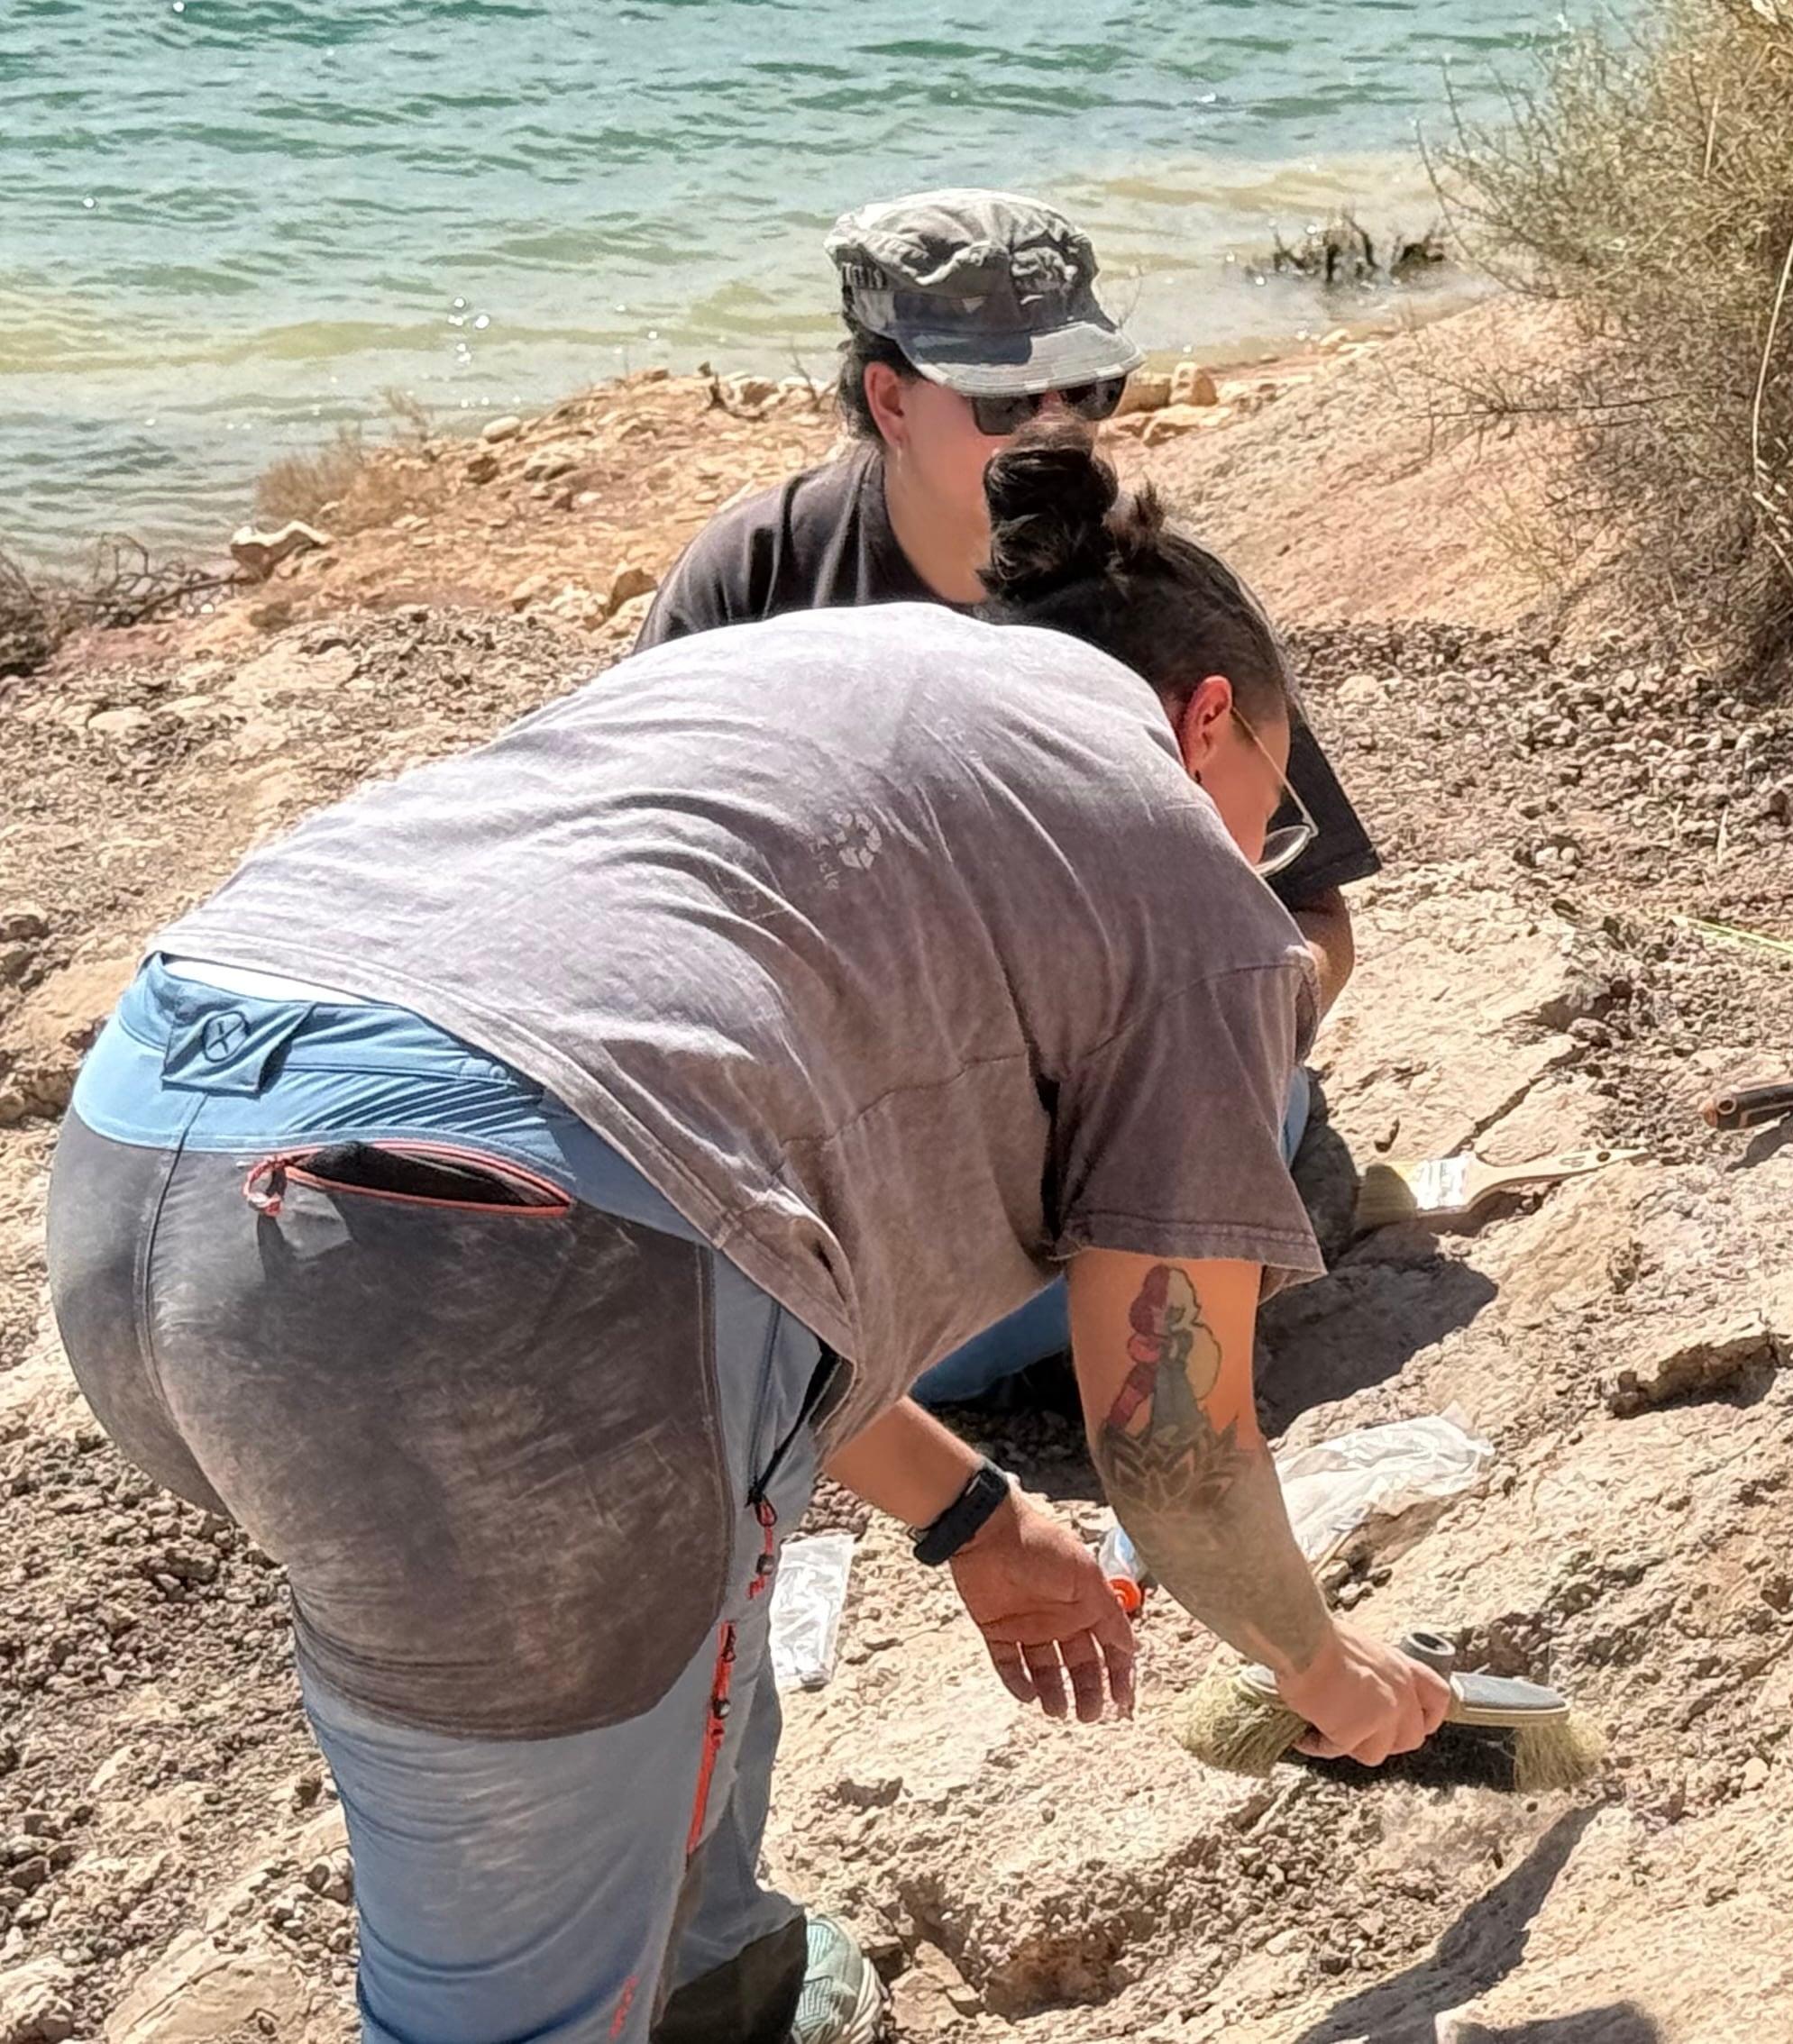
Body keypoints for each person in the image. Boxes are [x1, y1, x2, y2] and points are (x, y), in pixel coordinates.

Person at [42, 424, 1452, 2042]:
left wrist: (976, 1517)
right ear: (1211, 718)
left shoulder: (822, 677)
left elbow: (722, 1216)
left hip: (147, 1140)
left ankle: (717, 1976)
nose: (1260, 862)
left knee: (698, 1525)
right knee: (496, 2014)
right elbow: (1173, 1442)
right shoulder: (1179, 871)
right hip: (465, 1273)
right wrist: (1319, 1664)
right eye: (1266, 812)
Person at [632, 187, 1382, 1404]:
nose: (1057, 433)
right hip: (851, 1107)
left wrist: (1165, 1052)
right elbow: (648, 906)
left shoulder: (1155, 589)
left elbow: (1310, 920)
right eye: (1002, 402)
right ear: (888, 399)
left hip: (1102, 1098)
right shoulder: (757, 577)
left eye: (1088, 392)